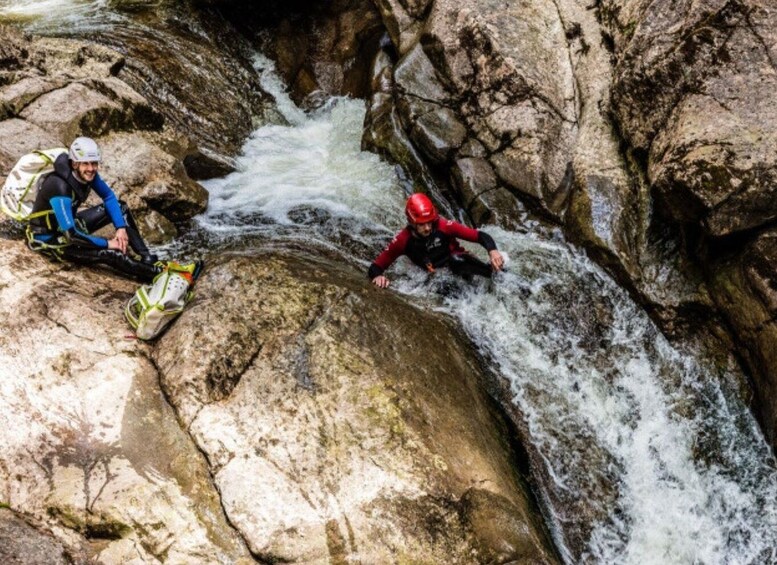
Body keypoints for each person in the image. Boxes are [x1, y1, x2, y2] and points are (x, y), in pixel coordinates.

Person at [27, 137, 197, 283]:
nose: (91, 168)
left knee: (121, 208)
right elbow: (71, 236)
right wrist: (110, 243)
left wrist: (120, 228)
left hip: (69, 225)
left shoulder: (86, 175)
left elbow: (109, 197)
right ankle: (158, 275)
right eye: (86, 163)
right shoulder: (60, 187)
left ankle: (146, 258)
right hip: (52, 239)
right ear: (75, 163)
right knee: (111, 254)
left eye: (94, 163)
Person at [368, 193, 504, 288]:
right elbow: (376, 267)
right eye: (421, 224)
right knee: (442, 285)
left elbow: (480, 236)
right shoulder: (403, 240)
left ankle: (499, 277)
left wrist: (493, 251)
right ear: (411, 222)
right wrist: (378, 276)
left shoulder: (444, 225)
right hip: (438, 277)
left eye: (429, 222)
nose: (427, 228)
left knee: (456, 261)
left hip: (461, 264)